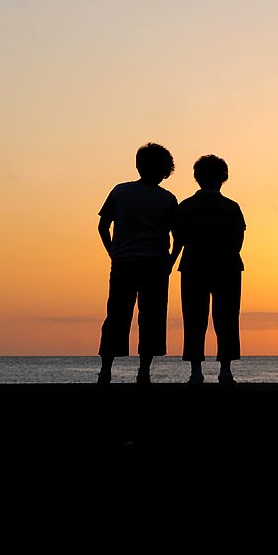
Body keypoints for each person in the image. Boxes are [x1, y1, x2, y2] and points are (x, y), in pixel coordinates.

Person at [97, 143, 178, 385]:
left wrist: (113, 252)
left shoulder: (120, 191)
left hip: (124, 262)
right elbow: (179, 236)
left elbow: (103, 227)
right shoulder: (167, 198)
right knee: (151, 318)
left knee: (116, 316)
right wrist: (170, 261)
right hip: (155, 265)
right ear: (165, 171)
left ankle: (106, 371)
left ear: (138, 165)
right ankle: (144, 371)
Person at [172, 154, 245, 385]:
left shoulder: (186, 206)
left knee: (194, 319)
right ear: (224, 178)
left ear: (197, 177)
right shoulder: (232, 207)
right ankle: (225, 370)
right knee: (227, 319)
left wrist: (171, 261)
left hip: (194, 266)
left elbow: (179, 239)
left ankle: (196, 371)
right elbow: (238, 241)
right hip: (228, 267)